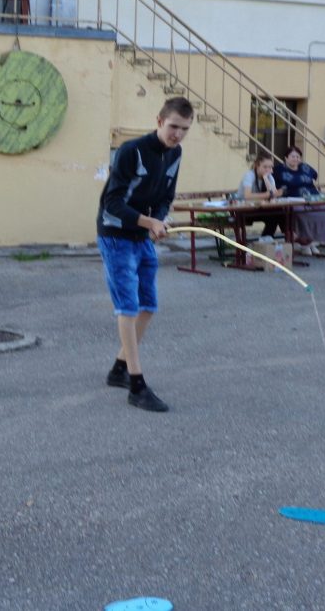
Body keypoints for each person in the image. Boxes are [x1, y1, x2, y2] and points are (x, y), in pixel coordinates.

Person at [97, 97, 194, 413]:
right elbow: (112, 202)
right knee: (128, 307)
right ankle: (136, 385)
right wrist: (147, 221)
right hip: (115, 236)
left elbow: (166, 196)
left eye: (185, 129)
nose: (178, 134)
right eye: (174, 126)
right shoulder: (131, 151)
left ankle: (118, 369)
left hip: (142, 236)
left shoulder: (175, 154)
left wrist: (160, 220)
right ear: (159, 121)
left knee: (148, 306)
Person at [273, 145, 325, 255]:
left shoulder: (304, 167)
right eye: (292, 156)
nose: (295, 159)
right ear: (286, 158)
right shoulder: (279, 170)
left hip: (312, 197)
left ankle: (313, 241)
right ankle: (305, 243)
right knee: (301, 212)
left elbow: (315, 176)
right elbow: (274, 186)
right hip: (292, 199)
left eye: (298, 157)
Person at [239, 153, 285, 239]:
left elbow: (273, 195)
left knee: (280, 213)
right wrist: (267, 195)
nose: (268, 169)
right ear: (257, 166)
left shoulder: (269, 177)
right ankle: (267, 239)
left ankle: (266, 240)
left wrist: (265, 178)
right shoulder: (249, 175)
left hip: (261, 208)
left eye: (270, 167)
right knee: (276, 214)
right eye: (265, 167)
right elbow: (247, 195)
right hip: (245, 209)